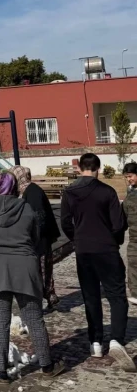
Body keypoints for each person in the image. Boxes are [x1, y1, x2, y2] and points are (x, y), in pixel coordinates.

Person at [0, 168, 65, 383]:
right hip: (25, 268)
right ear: (13, 186)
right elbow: (35, 236)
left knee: (0, 321)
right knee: (34, 318)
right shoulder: (26, 209)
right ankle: (47, 366)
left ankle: (2, 371)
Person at [61, 153, 135, 370]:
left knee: (91, 296)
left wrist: (77, 238)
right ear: (98, 169)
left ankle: (95, 342)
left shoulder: (70, 192)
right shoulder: (107, 192)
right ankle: (116, 340)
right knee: (117, 295)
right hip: (106, 248)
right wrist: (114, 240)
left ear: (79, 168)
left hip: (84, 250)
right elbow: (118, 224)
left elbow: (65, 222)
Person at [10, 165, 62, 310]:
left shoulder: (32, 192)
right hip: (39, 238)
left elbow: (39, 217)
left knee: (41, 270)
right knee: (42, 270)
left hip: (40, 240)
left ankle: (43, 299)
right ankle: (48, 296)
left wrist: (33, 238)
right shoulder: (27, 190)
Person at [121, 162, 137, 306]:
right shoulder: (130, 193)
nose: (128, 179)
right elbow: (124, 215)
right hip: (134, 237)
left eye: (130, 176)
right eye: (126, 177)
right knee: (133, 263)